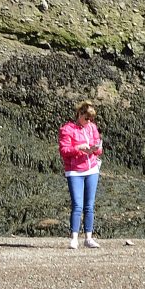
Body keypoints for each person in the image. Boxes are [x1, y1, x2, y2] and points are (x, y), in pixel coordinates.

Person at [58, 100, 104, 249]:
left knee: (89, 206)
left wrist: (95, 149)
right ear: (79, 114)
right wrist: (79, 148)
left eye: (91, 119)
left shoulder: (92, 128)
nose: (88, 121)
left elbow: (98, 149)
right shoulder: (67, 129)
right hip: (75, 171)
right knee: (77, 205)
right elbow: (64, 151)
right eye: (86, 118)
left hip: (92, 169)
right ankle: (74, 238)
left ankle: (89, 238)